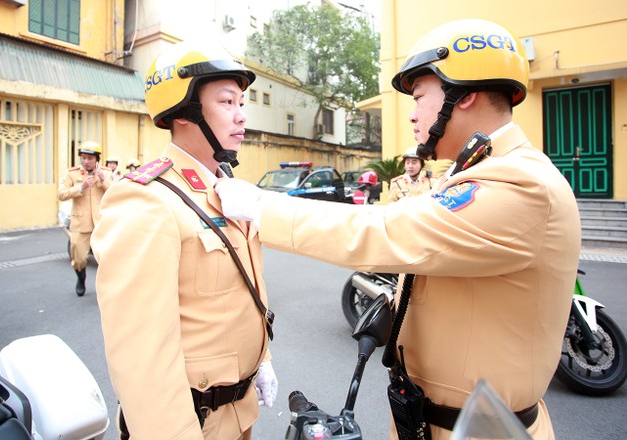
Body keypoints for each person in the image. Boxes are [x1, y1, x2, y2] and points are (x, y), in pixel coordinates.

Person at [215, 18, 580, 440]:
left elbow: (387, 231)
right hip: (432, 419)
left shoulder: (520, 184)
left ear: (463, 96)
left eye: (420, 97)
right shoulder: (478, 171)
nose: (412, 116)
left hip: (478, 430)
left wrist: (260, 207)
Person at [90, 42, 277, 440]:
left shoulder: (228, 190)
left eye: (242, 102)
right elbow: (141, 355)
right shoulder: (146, 198)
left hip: (239, 412)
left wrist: (262, 358)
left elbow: (240, 293)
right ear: (185, 112)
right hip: (194, 421)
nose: (242, 116)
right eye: (228, 102)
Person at [57, 141, 111, 296]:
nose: (86, 161)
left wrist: (103, 180)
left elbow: (115, 191)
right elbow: (61, 194)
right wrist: (80, 188)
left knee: (106, 259)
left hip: (101, 223)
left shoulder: (105, 172)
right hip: (81, 223)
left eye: (90, 158)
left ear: (97, 159)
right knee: (79, 259)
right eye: (83, 158)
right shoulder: (72, 173)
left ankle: (105, 287)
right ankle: (81, 278)